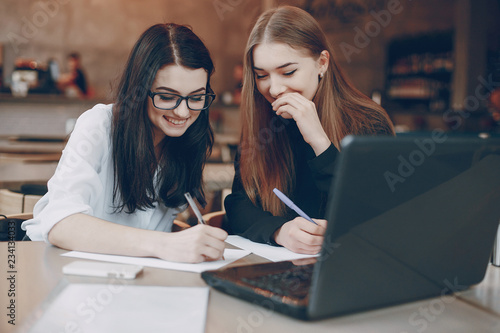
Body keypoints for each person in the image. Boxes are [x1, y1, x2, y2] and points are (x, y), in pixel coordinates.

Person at [22, 23, 227, 263]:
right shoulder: (99, 125)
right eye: (166, 96)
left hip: (127, 279)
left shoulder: (186, 141)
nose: (182, 112)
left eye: (196, 97)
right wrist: (164, 244)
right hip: (56, 270)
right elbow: (61, 223)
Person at [224, 6, 395, 255]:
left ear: (322, 63)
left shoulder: (368, 122)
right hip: (279, 267)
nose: (274, 89)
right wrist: (279, 231)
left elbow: (374, 214)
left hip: (350, 266)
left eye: (288, 72)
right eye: (262, 75)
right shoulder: (264, 119)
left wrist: (320, 143)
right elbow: (239, 205)